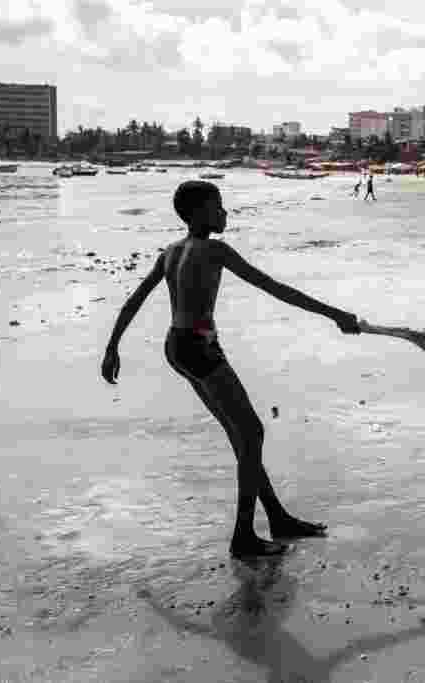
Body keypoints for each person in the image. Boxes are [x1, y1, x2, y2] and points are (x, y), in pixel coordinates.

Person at [101, 180, 361, 558]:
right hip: (199, 348)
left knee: (243, 437)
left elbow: (133, 301)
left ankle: (276, 517)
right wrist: (334, 313)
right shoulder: (214, 250)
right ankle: (243, 535)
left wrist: (112, 348)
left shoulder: (171, 252)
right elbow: (275, 288)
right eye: (217, 206)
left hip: (177, 346)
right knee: (252, 433)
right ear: (195, 213)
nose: (224, 213)